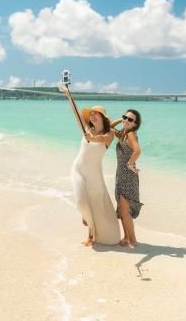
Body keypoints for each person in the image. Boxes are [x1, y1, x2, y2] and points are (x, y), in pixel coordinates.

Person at [59, 86, 121, 246]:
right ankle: (86, 219)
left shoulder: (110, 134)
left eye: (95, 114)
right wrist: (68, 94)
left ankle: (91, 237)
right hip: (78, 169)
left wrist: (91, 138)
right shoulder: (87, 129)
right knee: (81, 202)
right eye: (91, 114)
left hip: (94, 174)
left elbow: (100, 139)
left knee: (95, 205)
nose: (92, 116)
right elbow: (77, 113)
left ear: (102, 117)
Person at [110, 109, 143, 247]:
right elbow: (109, 127)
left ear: (135, 124)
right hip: (121, 175)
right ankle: (126, 238)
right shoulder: (123, 134)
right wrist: (122, 120)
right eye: (125, 117)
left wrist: (130, 163)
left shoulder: (130, 134)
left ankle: (133, 240)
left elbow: (138, 151)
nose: (126, 120)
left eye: (130, 120)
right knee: (122, 211)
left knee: (125, 211)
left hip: (128, 177)